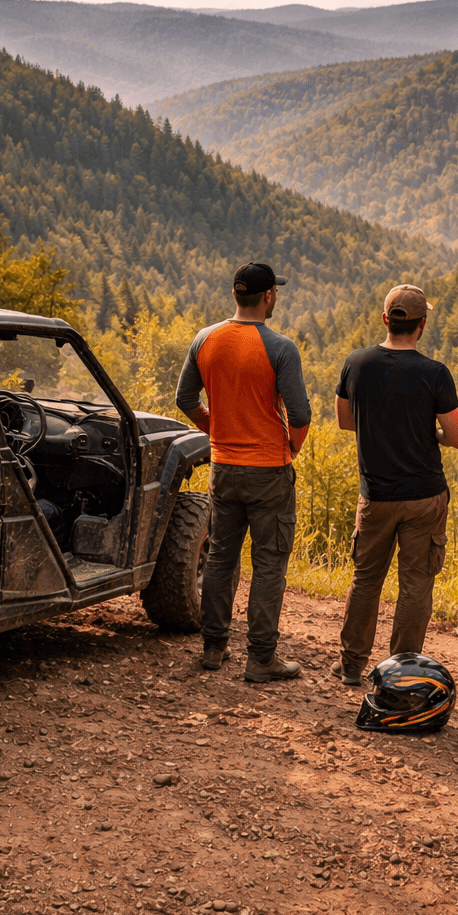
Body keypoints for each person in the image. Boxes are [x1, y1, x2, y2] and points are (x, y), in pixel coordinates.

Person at [176, 262, 312, 683]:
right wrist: (291, 445)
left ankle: (214, 648)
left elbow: (185, 398)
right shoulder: (280, 347)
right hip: (268, 470)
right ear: (268, 296)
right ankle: (261, 658)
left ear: (237, 295)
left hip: (223, 467)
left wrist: (214, 428)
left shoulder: (206, 339)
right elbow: (301, 414)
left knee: (220, 557)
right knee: (269, 563)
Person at [332, 284, 458, 686]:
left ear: (385, 319)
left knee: (366, 579)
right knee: (415, 585)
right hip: (424, 495)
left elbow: (344, 420)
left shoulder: (356, 364)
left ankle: (351, 664)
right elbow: (457, 436)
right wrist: (431, 434)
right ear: (422, 324)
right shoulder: (434, 373)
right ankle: (400, 672)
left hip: (375, 495)